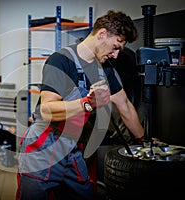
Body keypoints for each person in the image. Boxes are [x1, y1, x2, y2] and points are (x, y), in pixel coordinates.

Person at [16, 10, 144, 200]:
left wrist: (144, 141)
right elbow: (47, 109)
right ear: (102, 34)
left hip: (71, 147)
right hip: (43, 146)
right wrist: (87, 103)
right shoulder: (62, 60)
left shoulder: (105, 69)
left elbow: (123, 104)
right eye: (115, 47)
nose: (116, 55)